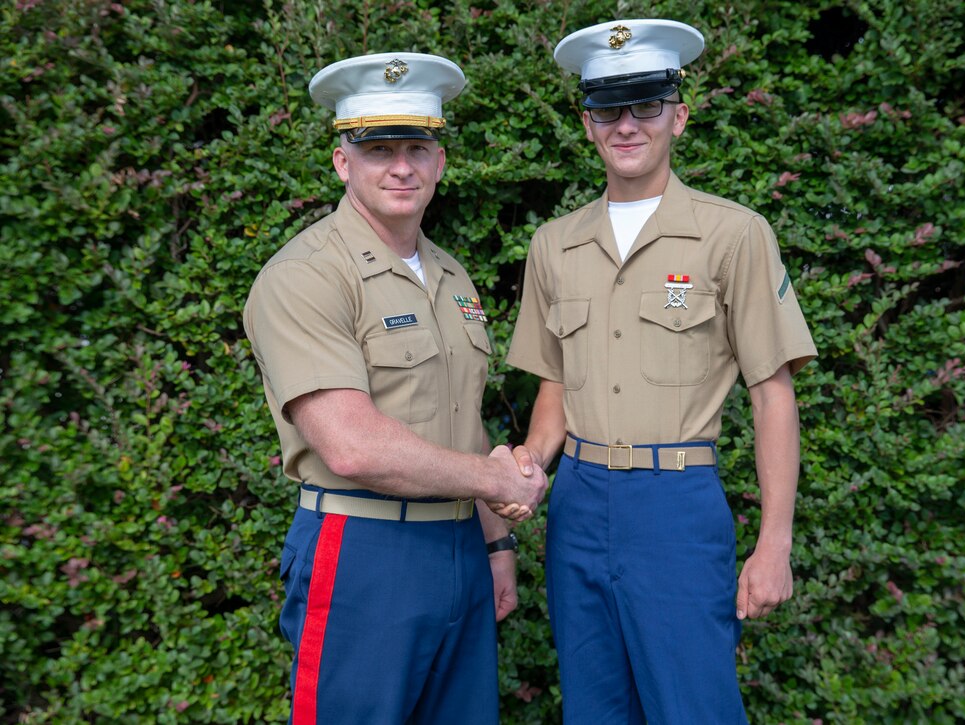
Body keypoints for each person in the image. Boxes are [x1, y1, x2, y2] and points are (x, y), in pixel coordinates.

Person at [506, 19, 818, 723]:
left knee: (695, 708)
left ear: (680, 113)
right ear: (587, 124)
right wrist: (524, 466)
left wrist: (775, 543)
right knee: (594, 707)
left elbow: (773, 396)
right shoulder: (554, 245)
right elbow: (555, 385)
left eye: (645, 104)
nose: (627, 125)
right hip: (578, 504)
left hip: (677, 506)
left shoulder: (735, 234)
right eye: (608, 109)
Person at [243, 52, 547, 724]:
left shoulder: (451, 275)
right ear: (342, 162)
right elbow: (351, 445)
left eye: (417, 146)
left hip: (461, 549)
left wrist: (496, 544)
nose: (401, 166)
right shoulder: (306, 274)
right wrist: (496, 481)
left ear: (440, 161)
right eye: (379, 148)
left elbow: (464, 420)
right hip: (362, 552)